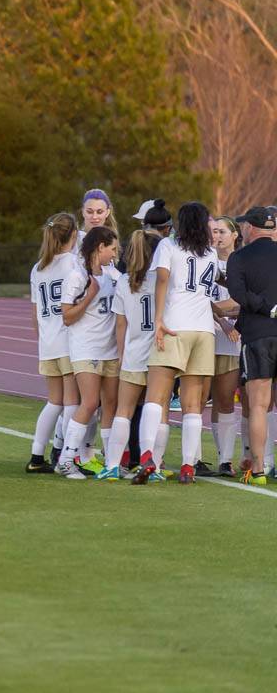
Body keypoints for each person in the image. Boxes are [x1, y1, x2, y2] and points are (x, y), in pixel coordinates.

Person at [132, 202, 220, 486]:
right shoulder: (211, 252)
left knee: (156, 397)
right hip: (204, 330)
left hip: (175, 326)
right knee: (193, 404)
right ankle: (187, 466)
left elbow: (162, 282)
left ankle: (147, 456)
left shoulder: (168, 247)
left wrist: (158, 319)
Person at [56, 226, 121, 480]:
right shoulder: (77, 276)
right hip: (86, 348)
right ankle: (66, 458)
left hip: (110, 350)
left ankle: (110, 460)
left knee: (110, 405)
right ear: (100, 247)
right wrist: (89, 296)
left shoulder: (112, 273)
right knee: (90, 402)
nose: (115, 253)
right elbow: (67, 317)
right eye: (112, 248)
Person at [224, 206, 277, 486]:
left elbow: (236, 293)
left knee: (258, 404)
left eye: (245, 226)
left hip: (258, 334)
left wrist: (266, 308)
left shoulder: (240, 257)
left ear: (252, 228)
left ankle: (258, 469)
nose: (242, 229)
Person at [26, 213, 79, 473]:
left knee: (54, 401)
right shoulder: (72, 263)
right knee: (72, 402)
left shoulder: (38, 267)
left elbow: (35, 314)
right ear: (73, 235)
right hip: (69, 341)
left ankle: (37, 456)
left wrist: (44, 340)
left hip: (47, 343)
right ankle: (68, 458)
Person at [109, 229, 161, 480]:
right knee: (156, 410)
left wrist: (121, 355)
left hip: (133, 352)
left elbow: (121, 324)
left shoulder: (123, 280)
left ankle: (112, 465)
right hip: (159, 356)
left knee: (124, 410)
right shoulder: (162, 280)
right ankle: (155, 466)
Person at [209, 216, 242, 475]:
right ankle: (197, 458)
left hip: (231, 341)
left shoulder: (241, 262)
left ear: (234, 235)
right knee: (197, 400)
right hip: (205, 336)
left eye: (221, 231)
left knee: (225, 401)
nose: (216, 236)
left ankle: (225, 459)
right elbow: (196, 300)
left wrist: (221, 312)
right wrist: (222, 315)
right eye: (213, 231)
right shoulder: (204, 260)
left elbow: (242, 302)